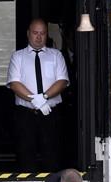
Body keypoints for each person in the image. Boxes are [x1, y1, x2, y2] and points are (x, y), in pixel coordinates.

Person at [6, 18, 69, 172]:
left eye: (42, 33)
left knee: (52, 154)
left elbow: (62, 81)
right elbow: (14, 83)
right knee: (25, 155)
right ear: (28, 34)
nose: (39, 37)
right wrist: (37, 101)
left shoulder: (56, 55)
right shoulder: (18, 56)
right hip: (26, 115)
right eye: (35, 33)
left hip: (51, 114)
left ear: (47, 35)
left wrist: (44, 98)